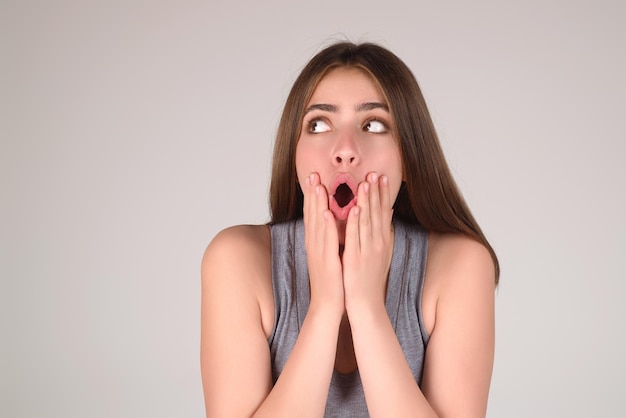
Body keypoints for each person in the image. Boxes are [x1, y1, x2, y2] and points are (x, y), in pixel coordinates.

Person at [200, 41, 499, 417]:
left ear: (409, 159)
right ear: (293, 154)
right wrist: (324, 307)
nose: (344, 150)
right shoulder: (236, 260)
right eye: (319, 124)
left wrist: (366, 306)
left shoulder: (461, 264)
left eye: (373, 124)